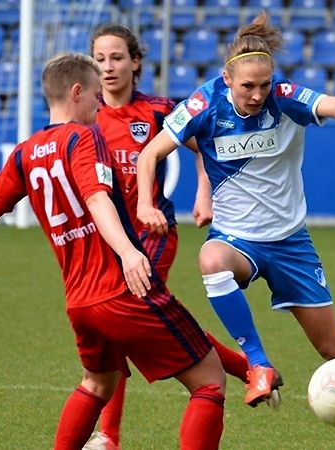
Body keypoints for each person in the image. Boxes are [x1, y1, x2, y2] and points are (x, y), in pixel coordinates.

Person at [0, 53, 226, 450]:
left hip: (80, 302)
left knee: (97, 383)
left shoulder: (26, 151)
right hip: (121, 290)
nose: (100, 106)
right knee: (209, 381)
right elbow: (98, 200)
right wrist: (130, 254)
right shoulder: (84, 138)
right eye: (96, 96)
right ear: (77, 92)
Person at [134, 12, 335, 408]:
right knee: (211, 260)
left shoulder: (284, 96)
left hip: (290, 242)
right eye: (247, 87)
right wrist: (144, 202)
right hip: (237, 238)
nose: (257, 95)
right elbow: (151, 153)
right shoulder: (204, 103)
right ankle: (258, 364)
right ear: (228, 80)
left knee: (329, 346)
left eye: (263, 85)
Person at [86, 25, 248, 450]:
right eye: (100, 59)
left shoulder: (159, 109)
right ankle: (244, 368)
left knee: (123, 320)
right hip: (108, 242)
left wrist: (203, 190)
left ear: (135, 61)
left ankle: (108, 436)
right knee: (132, 324)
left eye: (117, 57)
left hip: (153, 234)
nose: (108, 67)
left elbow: (203, 146)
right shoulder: (88, 117)